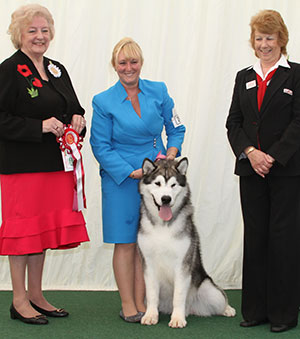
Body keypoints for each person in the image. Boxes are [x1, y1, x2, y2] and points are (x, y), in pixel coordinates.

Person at [0, 4, 89, 325]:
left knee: (41, 233)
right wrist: (37, 127)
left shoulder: (57, 69)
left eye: (44, 30)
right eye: (32, 30)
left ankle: (36, 295)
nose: (40, 36)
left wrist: (78, 120)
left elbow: (73, 108)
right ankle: (19, 300)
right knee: (23, 233)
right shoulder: (9, 70)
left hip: (55, 166)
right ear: (19, 35)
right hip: (22, 168)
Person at [90, 37, 185, 323]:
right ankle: (128, 303)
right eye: (122, 63)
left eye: (134, 62)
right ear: (114, 66)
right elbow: (100, 145)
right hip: (120, 178)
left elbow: (176, 128)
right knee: (125, 242)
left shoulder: (159, 91)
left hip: (157, 181)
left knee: (148, 242)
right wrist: (130, 172)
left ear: (141, 64)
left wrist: (171, 153)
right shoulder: (103, 100)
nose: (128, 68)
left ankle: (146, 301)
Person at [226, 10, 300, 333]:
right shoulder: (244, 76)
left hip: (286, 171)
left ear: (281, 40)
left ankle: (284, 313)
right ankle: (255, 310)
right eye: (259, 38)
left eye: (270, 38)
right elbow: (234, 123)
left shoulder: (295, 75)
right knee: (255, 239)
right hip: (250, 170)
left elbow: (299, 122)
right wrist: (252, 154)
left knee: (283, 240)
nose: (264, 44)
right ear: (252, 42)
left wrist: (273, 156)